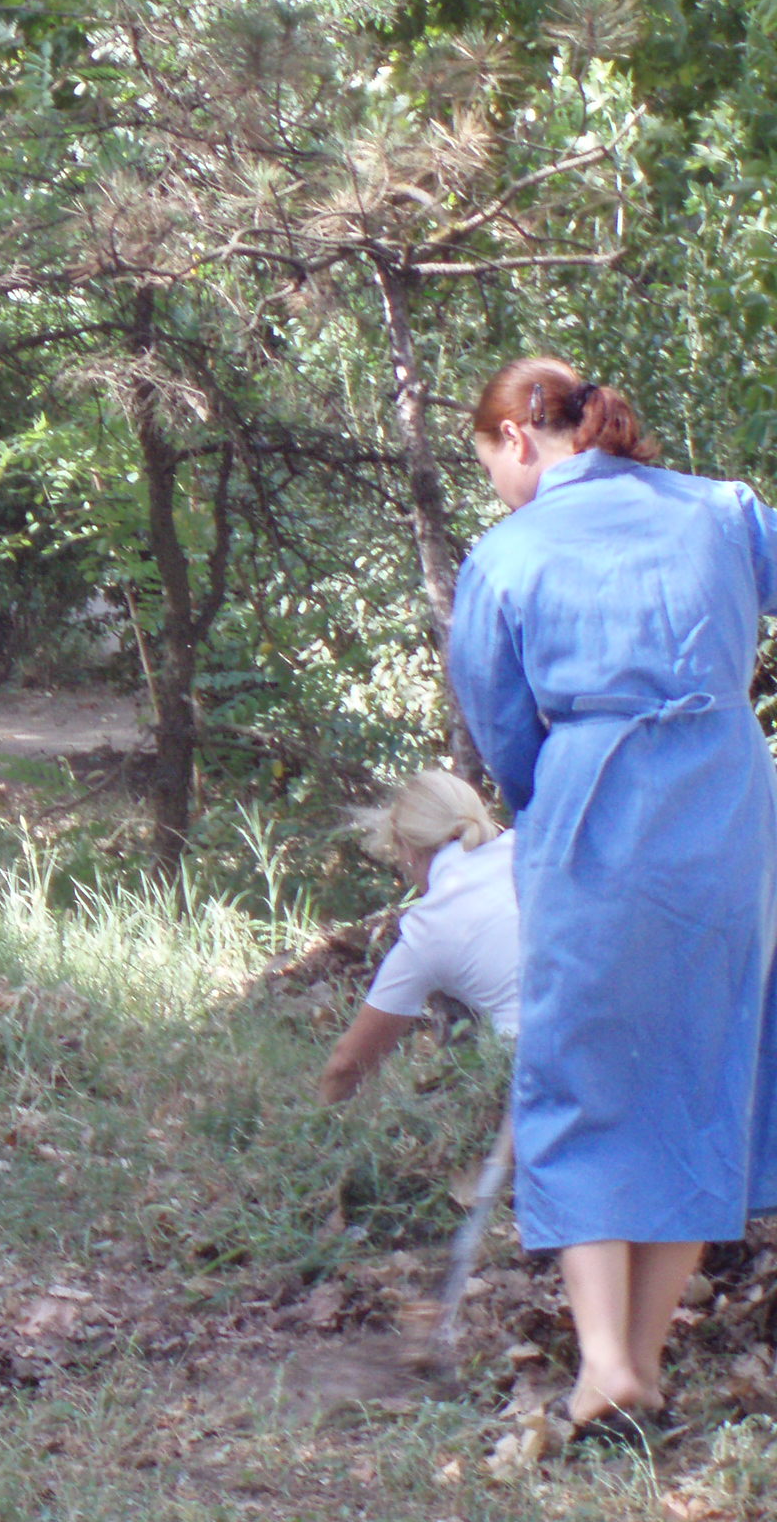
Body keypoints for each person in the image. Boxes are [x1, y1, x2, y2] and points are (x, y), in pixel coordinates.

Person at [448, 356, 777, 1432]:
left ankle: (603, 1363)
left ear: (518, 439)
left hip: (594, 808)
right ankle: (638, 1362)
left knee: (578, 1071)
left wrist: (547, 804)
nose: (499, 487)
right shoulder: (723, 511)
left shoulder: (506, 552)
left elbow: (501, 727)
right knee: (699, 1067)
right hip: (727, 810)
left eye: (490, 464)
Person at [319, 769, 520, 1104]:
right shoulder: (526, 848)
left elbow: (346, 1065)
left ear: (409, 850)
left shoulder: (428, 928)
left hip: (541, 1069)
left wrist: (321, 1119)